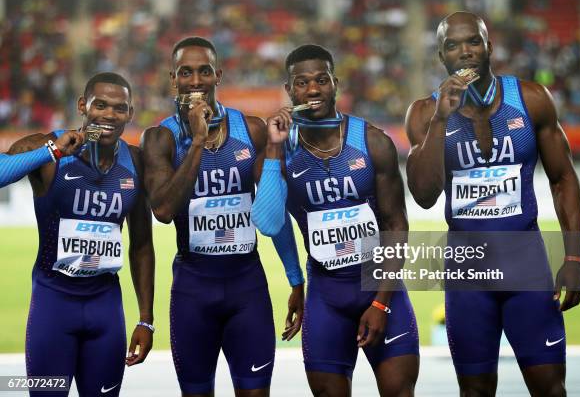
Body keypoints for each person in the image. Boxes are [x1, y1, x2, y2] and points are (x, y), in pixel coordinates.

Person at [405, 11, 580, 396]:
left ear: (489, 46)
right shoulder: (424, 112)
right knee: (475, 392)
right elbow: (423, 196)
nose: (464, 51)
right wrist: (440, 120)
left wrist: (574, 259)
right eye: (452, 45)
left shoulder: (532, 99)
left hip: (527, 267)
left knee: (551, 389)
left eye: (472, 41)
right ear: (441, 57)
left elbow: (563, 178)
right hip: (468, 272)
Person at [252, 44, 419, 397]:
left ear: (335, 83)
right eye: (302, 83)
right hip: (326, 295)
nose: (313, 90)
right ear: (289, 90)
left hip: (380, 288)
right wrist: (274, 149)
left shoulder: (372, 142)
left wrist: (380, 302)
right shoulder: (281, 152)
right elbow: (269, 223)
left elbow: (396, 227)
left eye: (321, 80)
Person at [140, 36, 304, 397]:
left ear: (219, 76)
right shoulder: (160, 139)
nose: (195, 81)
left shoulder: (253, 130)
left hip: (247, 285)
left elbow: (274, 212)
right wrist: (197, 140)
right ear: (173, 80)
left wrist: (295, 278)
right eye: (186, 72)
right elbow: (164, 210)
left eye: (203, 72)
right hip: (193, 287)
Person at [4, 72, 155, 397]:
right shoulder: (45, 148)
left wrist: (146, 319)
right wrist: (54, 152)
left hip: (106, 308)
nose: (109, 115)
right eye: (101, 105)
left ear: (130, 114)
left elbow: (142, 244)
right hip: (53, 305)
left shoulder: (135, 162)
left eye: (119, 108)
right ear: (83, 105)